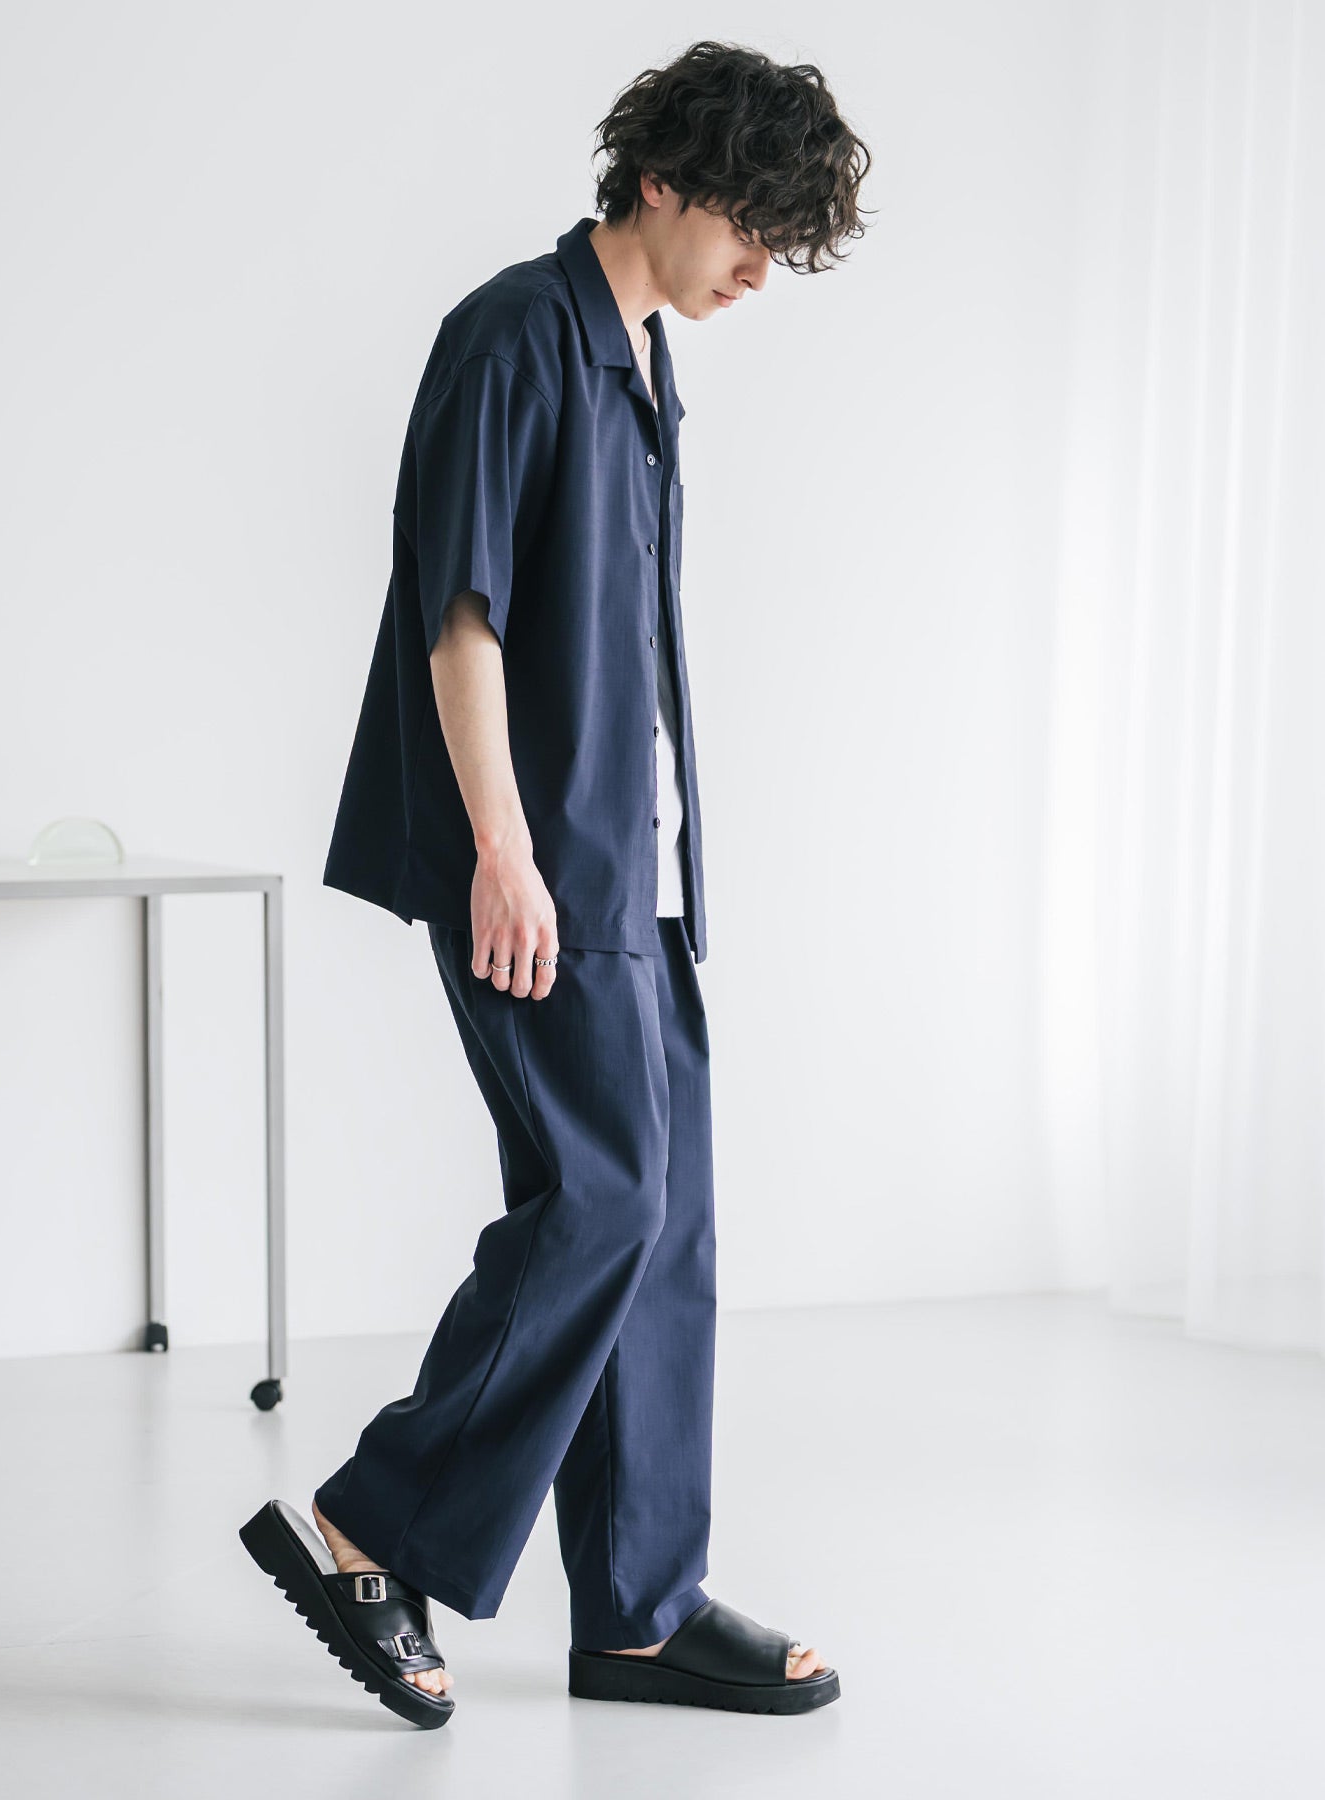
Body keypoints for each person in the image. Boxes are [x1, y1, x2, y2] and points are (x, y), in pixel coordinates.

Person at [240, 38, 870, 1729]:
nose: (761, 267)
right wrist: (506, 857)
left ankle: (640, 1615)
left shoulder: (645, 360)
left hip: (631, 871)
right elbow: (462, 617)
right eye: (750, 223)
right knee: (603, 1204)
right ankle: (372, 1526)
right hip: (536, 869)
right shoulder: (515, 335)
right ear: (660, 178)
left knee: (667, 1225)